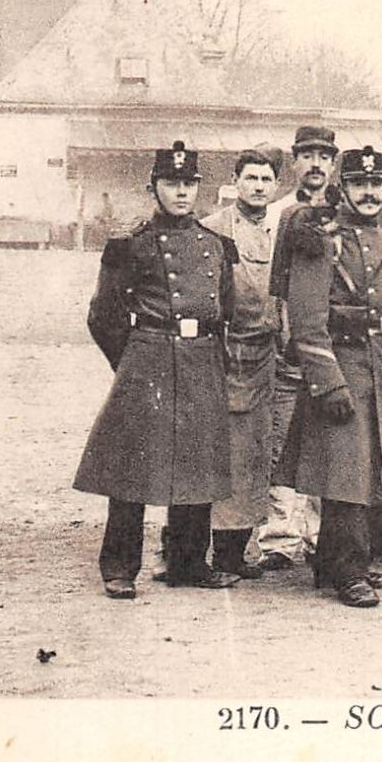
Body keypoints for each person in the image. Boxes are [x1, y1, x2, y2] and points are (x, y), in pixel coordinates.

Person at [75, 141, 239, 598]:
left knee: (197, 463)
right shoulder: (131, 244)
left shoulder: (217, 245)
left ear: (199, 189)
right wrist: (132, 360)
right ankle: (120, 566)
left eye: (189, 184)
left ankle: (188, 562)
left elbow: (225, 308)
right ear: (154, 188)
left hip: (201, 354)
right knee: (133, 464)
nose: (181, 193)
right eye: (172, 184)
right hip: (149, 356)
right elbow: (103, 314)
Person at [276, 146, 382, 608]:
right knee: (347, 472)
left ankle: (335, 562)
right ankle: (348, 570)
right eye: (359, 184)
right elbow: (306, 318)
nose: (368, 193)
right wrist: (329, 381)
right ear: (344, 187)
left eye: (376, 185)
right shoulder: (322, 238)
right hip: (343, 366)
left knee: (374, 467)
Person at [199, 149, 285, 578]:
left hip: (270, 356)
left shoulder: (280, 230)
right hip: (228, 354)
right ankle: (219, 554)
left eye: (266, 179)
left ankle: (241, 549)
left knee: (257, 455)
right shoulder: (214, 229)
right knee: (228, 454)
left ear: (276, 187)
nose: (258, 186)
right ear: (235, 181)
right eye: (250, 178)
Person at [257, 124, 339, 572]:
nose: (315, 164)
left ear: (333, 161)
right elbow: (276, 283)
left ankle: (321, 536)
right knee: (282, 441)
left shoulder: (345, 209)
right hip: (292, 349)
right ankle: (281, 537)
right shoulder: (283, 213)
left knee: (328, 441)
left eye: (323, 156)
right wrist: (283, 333)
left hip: (335, 348)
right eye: (306, 155)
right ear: (294, 161)